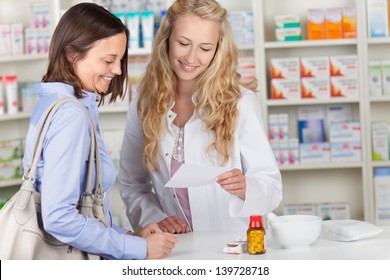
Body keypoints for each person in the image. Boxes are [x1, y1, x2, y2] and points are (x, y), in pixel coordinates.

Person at [22, 3, 177, 260]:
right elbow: (59, 217)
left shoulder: (54, 103)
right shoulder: (71, 115)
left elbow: (83, 211)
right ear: (72, 55)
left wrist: (126, 237)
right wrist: (139, 249)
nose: (117, 70)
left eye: (120, 59)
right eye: (108, 60)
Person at [118, 0, 282, 234]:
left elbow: (271, 187)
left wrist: (246, 187)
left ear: (218, 50)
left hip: (232, 248)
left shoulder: (240, 102)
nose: (191, 57)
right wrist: (156, 219)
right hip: (173, 247)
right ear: (166, 40)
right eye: (183, 43)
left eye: (205, 48)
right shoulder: (145, 103)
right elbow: (131, 184)